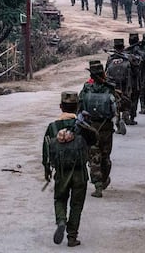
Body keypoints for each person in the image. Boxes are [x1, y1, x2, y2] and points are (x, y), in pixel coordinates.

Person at [42, 91, 97, 247]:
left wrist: (47, 170)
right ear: (77, 106)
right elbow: (94, 140)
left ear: (60, 107)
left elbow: (46, 150)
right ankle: (72, 237)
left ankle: (61, 221)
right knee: (76, 205)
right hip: (80, 173)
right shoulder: (81, 125)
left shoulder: (52, 127)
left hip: (61, 172)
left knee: (59, 199)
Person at [79, 60, 117, 198]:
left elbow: (80, 106)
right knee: (106, 156)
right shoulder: (110, 88)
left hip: (90, 127)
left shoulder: (86, 88)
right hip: (106, 127)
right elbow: (116, 107)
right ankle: (104, 178)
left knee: (94, 158)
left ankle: (98, 186)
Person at [105, 39, 133, 130]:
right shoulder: (128, 58)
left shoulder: (110, 58)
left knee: (115, 102)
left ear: (115, 47)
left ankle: (118, 122)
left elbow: (106, 71)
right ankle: (126, 115)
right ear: (123, 47)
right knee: (126, 99)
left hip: (113, 84)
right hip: (126, 84)